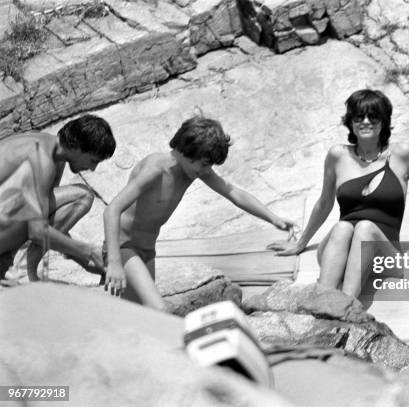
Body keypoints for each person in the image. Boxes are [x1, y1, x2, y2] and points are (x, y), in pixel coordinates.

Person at [103, 116, 296, 311]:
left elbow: (233, 192)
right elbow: (112, 210)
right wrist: (114, 262)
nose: (206, 170)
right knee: (158, 310)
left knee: (138, 314)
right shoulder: (155, 169)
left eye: (210, 165)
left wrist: (273, 218)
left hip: (147, 250)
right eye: (204, 164)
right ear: (186, 152)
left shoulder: (192, 171)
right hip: (124, 246)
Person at [269, 89, 409, 297]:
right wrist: (300, 243)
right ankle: (323, 300)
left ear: (383, 121)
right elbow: (324, 203)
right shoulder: (337, 156)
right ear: (350, 122)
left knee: (365, 228)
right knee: (342, 228)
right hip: (340, 251)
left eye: (373, 116)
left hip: (384, 255)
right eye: (359, 117)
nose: (366, 121)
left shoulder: (402, 154)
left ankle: (346, 308)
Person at [0, 114, 116, 282]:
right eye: (93, 160)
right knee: (83, 197)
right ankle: (23, 268)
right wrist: (88, 251)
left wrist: (85, 262)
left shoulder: (54, 151)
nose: (92, 168)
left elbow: (50, 219)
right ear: (77, 147)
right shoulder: (42, 159)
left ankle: (15, 263)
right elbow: (37, 232)